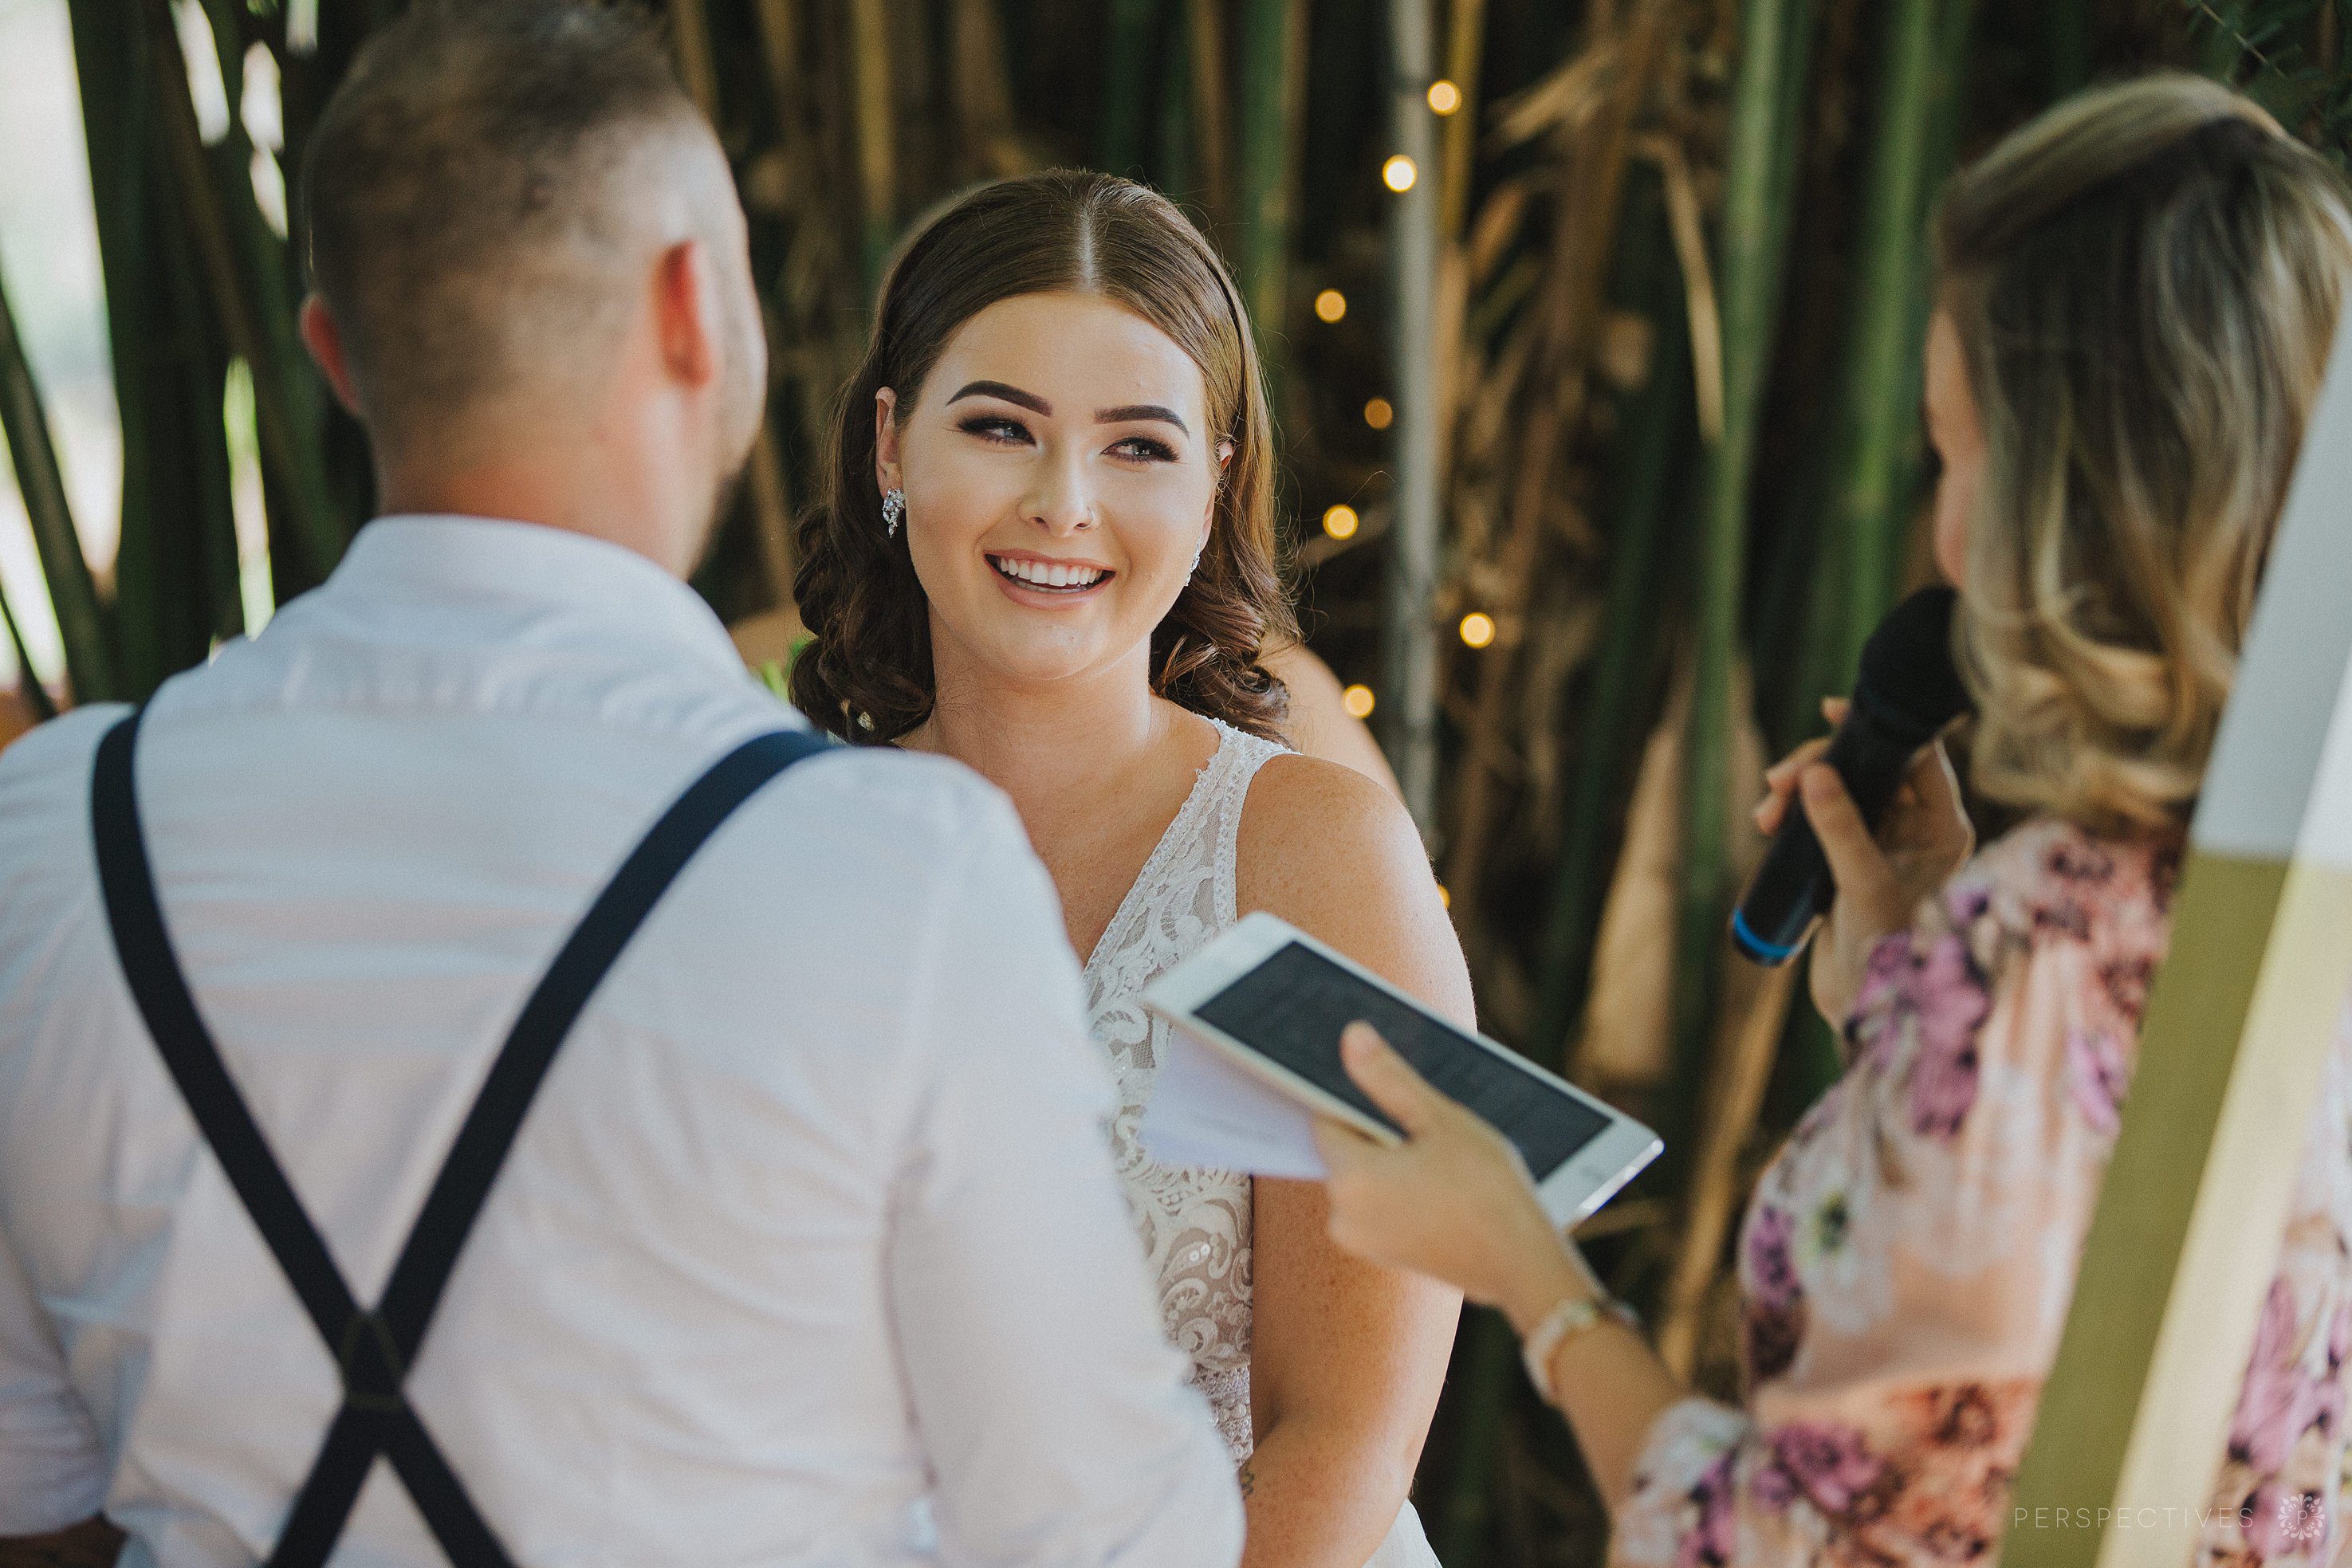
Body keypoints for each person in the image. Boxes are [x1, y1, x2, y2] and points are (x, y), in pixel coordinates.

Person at [0, 6, 1240, 1566]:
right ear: (690, 310)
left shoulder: (59, 831)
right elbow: (1099, 1538)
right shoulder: (899, 872)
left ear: (331, 353)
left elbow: (28, 1483)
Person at [1310, 73, 2352, 1566]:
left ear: (2072, 496)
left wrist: (1527, 1273)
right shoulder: (2221, 905)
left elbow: (1788, 1542)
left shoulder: (2039, 952)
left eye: (1955, 455)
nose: (1943, 530)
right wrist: (1915, 995)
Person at [792, 171, 1466, 1568]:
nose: (1063, 503)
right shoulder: (788, 848)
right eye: (999, 427)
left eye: (1137, 447)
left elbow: (1345, 1433)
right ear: (891, 447)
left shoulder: (1311, 861)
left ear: (1214, 480)